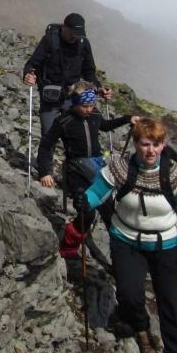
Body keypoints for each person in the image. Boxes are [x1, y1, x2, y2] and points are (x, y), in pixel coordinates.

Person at [75, 118, 177, 353]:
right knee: (130, 294)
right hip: (127, 240)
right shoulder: (121, 168)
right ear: (135, 144)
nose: (151, 150)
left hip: (168, 245)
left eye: (156, 144)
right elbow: (97, 192)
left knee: (172, 301)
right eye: (145, 144)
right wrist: (84, 201)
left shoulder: (175, 173)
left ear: (163, 144)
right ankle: (142, 333)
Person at [37, 80, 138, 257]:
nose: (89, 109)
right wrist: (45, 172)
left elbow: (106, 125)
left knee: (110, 211)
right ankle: (69, 245)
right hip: (75, 171)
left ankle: (121, 255)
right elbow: (46, 145)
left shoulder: (94, 115)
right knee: (87, 212)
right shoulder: (63, 121)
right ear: (75, 103)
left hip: (98, 168)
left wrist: (127, 119)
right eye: (84, 106)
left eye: (91, 105)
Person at [23, 13, 112, 137]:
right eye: (72, 32)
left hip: (73, 96)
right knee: (48, 136)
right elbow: (32, 64)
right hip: (50, 97)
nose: (74, 37)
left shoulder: (83, 43)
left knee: (76, 136)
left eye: (77, 34)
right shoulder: (50, 40)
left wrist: (99, 87)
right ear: (64, 27)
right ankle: (46, 156)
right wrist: (28, 74)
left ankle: (74, 156)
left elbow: (89, 71)